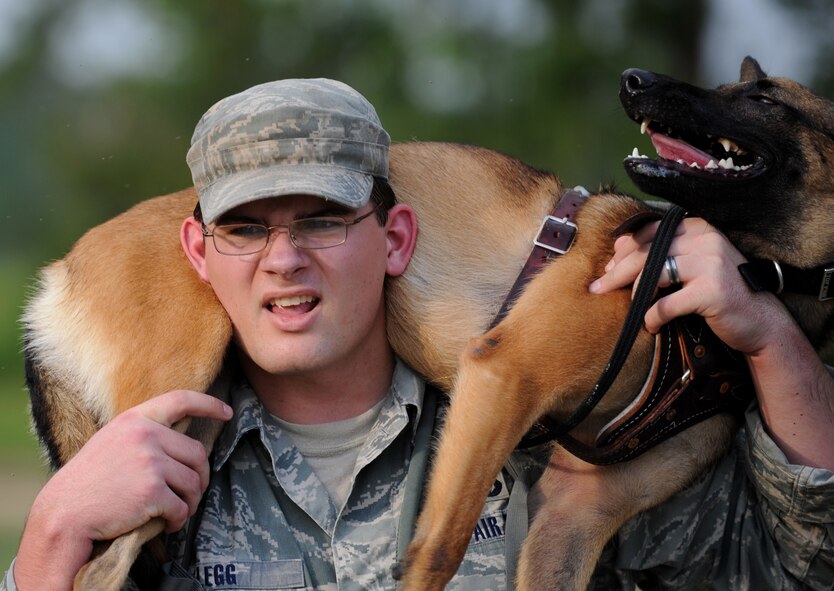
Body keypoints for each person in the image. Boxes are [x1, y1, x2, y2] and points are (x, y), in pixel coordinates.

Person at [3, 78, 833, 591]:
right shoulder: (157, 474)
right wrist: (51, 538)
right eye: (246, 229)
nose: (284, 259)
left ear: (397, 235)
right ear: (197, 251)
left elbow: (800, 570)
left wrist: (769, 335)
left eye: (324, 220)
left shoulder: (550, 436)